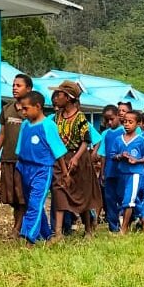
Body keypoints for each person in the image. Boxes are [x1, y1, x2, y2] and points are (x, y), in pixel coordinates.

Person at [15, 91, 66, 245]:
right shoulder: (24, 125)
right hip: (25, 168)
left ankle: (28, 237)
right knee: (32, 203)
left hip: (42, 170)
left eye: (26, 108)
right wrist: (18, 170)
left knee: (35, 203)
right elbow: (20, 149)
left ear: (38, 106)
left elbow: (58, 151)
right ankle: (46, 235)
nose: (23, 112)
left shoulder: (48, 125)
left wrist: (65, 173)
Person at [49, 81, 99, 240]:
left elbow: (86, 140)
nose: (56, 98)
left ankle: (88, 229)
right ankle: (58, 233)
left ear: (68, 98)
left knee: (82, 193)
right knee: (59, 191)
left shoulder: (80, 117)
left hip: (79, 157)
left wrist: (76, 157)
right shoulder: (56, 117)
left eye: (59, 94)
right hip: (60, 158)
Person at [0, 74, 32, 239]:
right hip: (7, 158)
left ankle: (18, 228)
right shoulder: (6, 109)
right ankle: (18, 224)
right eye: (13, 85)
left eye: (19, 85)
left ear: (28, 89)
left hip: (24, 160)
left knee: (22, 195)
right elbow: (2, 134)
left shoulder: (31, 110)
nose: (14, 88)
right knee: (11, 197)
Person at [116, 110, 144, 234]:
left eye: (130, 122)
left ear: (138, 124)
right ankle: (143, 218)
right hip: (122, 173)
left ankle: (124, 229)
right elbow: (113, 155)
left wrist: (136, 160)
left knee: (129, 200)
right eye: (125, 121)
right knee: (130, 198)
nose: (127, 124)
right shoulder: (118, 139)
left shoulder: (141, 140)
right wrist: (120, 156)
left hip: (135, 173)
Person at [98, 105, 125, 233]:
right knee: (110, 198)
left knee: (123, 196)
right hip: (109, 170)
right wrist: (102, 172)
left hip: (123, 171)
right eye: (107, 120)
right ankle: (113, 226)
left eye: (112, 119)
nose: (109, 122)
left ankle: (127, 221)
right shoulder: (105, 133)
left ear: (118, 116)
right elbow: (103, 154)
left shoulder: (125, 131)